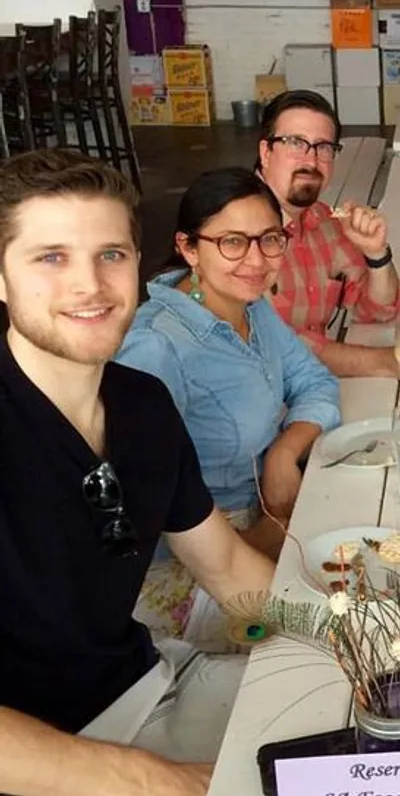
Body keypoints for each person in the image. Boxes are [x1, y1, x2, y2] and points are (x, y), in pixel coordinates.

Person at [0, 149, 275, 795]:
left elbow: (228, 571)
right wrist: (160, 781)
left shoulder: (140, 405)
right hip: (47, 764)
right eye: (51, 257)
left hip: (151, 688)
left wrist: (355, 633)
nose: (89, 285)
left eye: (111, 255)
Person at [117, 168, 341, 643]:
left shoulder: (251, 305)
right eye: (233, 242)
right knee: (339, 631)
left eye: (269, 239)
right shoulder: (156, 349)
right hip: (197, 563)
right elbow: (138, 510)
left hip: (273, 513)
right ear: (189, 248)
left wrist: (285, 450)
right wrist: (268, 533)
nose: (256, 260)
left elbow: (315, 382)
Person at [256, 89, 400, 378]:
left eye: (323, 147)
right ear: (265, 152)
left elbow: (378, 309)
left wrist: (376, 254)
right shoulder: (237, 232)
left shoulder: (322, 220)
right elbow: (272, 346)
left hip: (311, 391)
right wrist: (382, 362)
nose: (311, 160)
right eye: (296, 143)